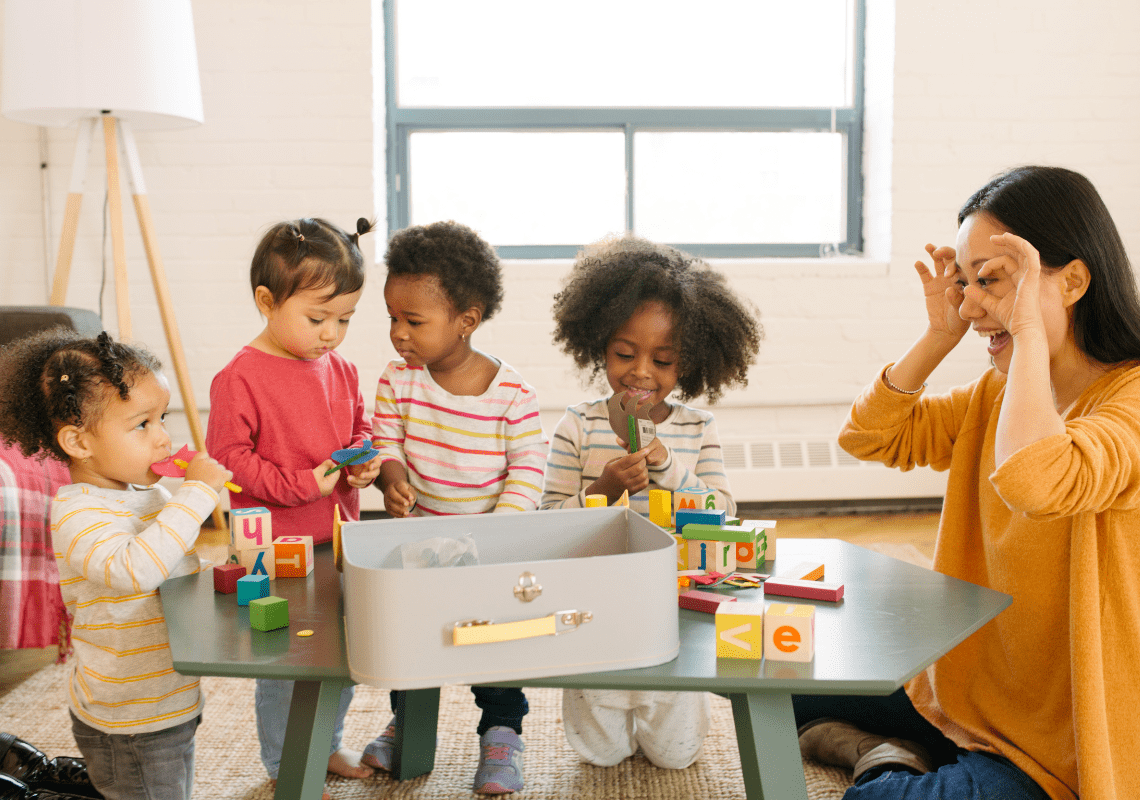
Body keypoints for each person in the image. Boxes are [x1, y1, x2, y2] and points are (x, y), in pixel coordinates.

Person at [802, 165, 1140, 800]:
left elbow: (1039, 478)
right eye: (965, 282)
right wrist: (938, 336)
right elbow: (872, 437)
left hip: (1058, 746)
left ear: (1075, 281)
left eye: (993, 281)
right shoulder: (998, 389)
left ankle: (884, 761)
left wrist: (1027, 331)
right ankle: (891, 745)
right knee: (785, 674)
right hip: (965, 695)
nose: (971, 304)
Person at [543, 234, 762, 768]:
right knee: (599, 752)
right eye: (624, 353)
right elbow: (547, 522)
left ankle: (668, 714)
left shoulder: (697, 428)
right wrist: (603, 490)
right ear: (598, 345)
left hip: (676, 594)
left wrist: (665, 465)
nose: (642, 372)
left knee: (676, 754)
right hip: (598, 595)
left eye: (663, 360)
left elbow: (724, 512)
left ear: (688, 364)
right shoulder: (578, 425)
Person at [0, 329, 232, 800]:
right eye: (143, 425)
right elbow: (135, 569)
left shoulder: (148, 493)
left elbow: (175, 565)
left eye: (162, 419)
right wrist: (197, 495)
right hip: (129, 718)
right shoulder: (79, 514)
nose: (163, 439)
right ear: (78, 442)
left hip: (168, 698)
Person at [366, 220, 548, 794]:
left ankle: (501, 733)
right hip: (419, 546)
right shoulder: (398, 381)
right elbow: (386, 443)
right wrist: (391, 478)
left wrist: (496, 535)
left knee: (491, 646)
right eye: (391, 317)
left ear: (466, 320)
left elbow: (528, 472)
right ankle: (409, 723)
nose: (398, 333)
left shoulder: (512, 394)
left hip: (489, 552)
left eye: (413, 321)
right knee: (414, 640)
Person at [205, 217, 381, 793]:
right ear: (266, 301)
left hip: (340, 539)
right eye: (317, 318)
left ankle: (324, 745)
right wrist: (304, 484)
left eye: (345, 320)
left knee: (341, 652)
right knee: (285, 661)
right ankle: (286, 764)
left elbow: (359, 428)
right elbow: (229, 463)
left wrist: (364, 462)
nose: (332, 333)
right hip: (273, 549)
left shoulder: (344, 369)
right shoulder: (240, 378)